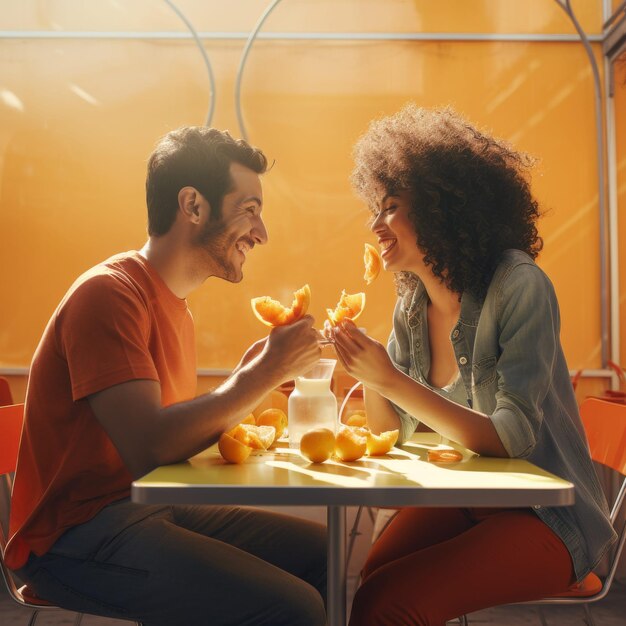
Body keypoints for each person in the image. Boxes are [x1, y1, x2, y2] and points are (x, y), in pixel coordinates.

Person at [6, 127, 327, 626]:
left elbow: (173, 440)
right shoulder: (108, 295)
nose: (261, 233)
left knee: (327, 554)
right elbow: (150, 449)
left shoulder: (173, 306)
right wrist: (264, 373)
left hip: (141, 508)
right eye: (249, 209)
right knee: (294, 608)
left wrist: (253, 375)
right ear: (193, 205)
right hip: (75, 536)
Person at [328, 105, 616, 626]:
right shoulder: (411, 302)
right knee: (367, 580)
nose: (374, 224)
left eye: (390, 206)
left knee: (386, 603)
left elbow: (512, 437)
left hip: (549, 519)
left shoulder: (520, 286)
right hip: (468, 498)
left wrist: (388, 377)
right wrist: (369, 374)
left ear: (441, 209)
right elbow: (387, 433)